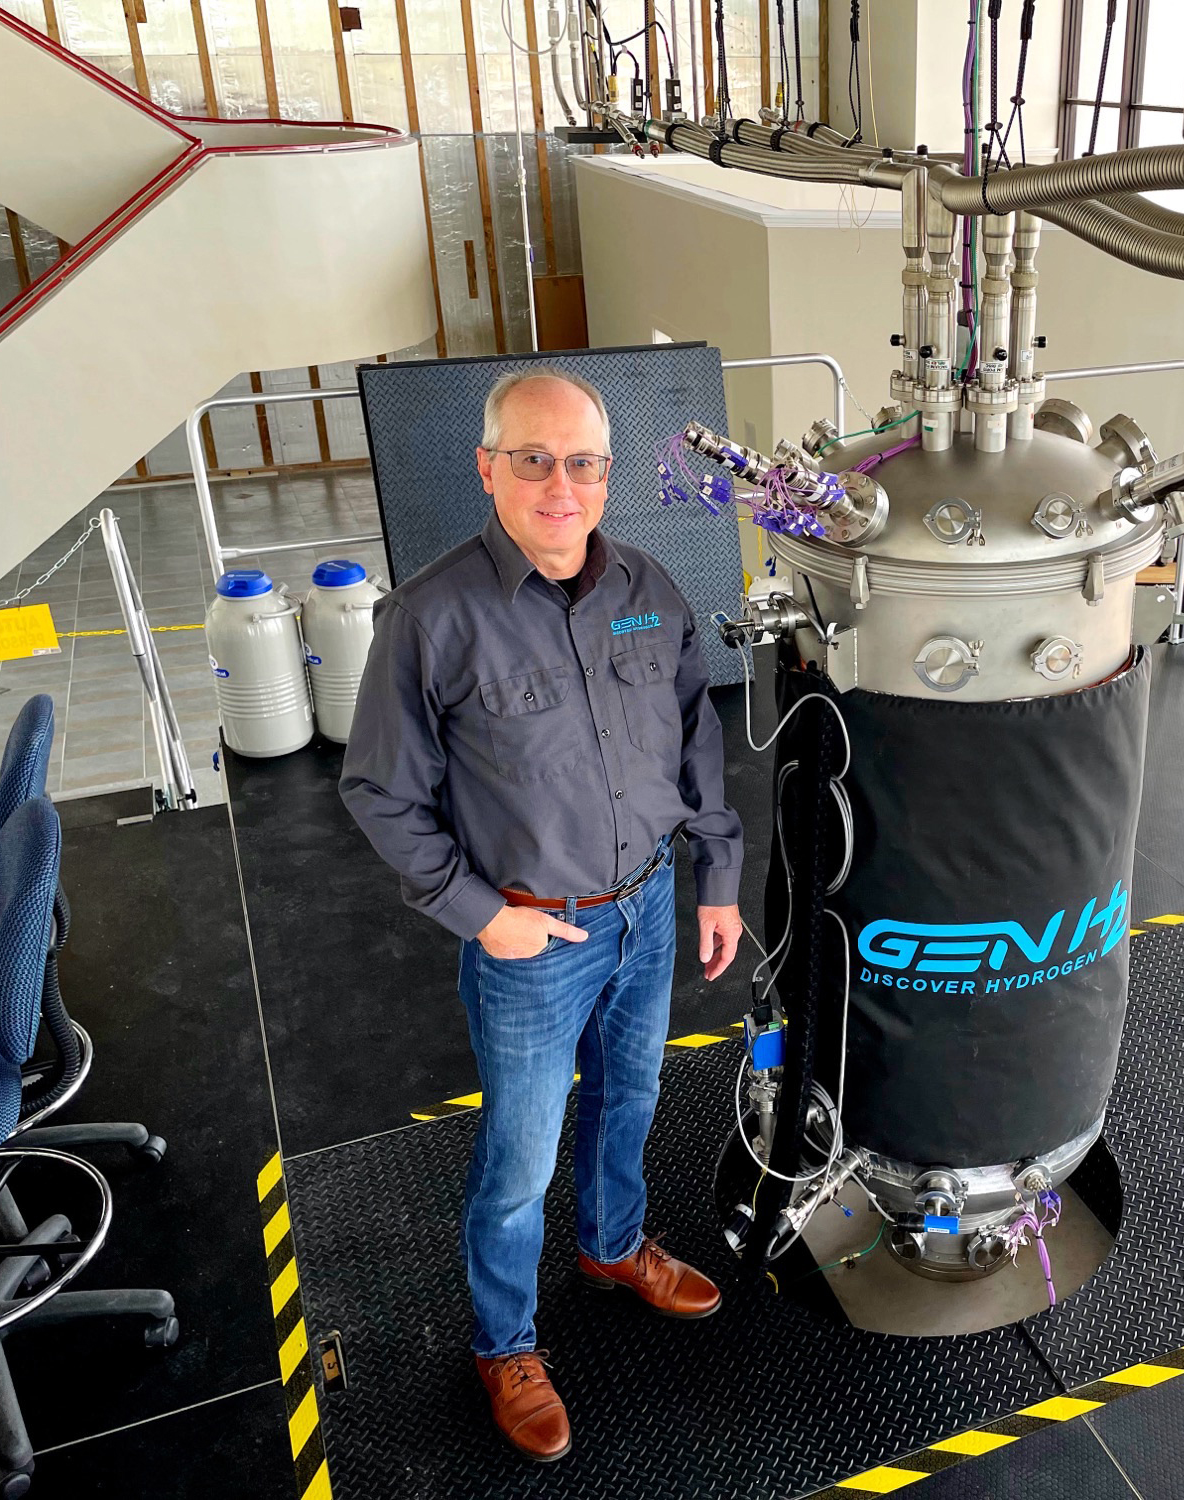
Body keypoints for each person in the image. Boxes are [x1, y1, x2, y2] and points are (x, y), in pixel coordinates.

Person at [340, 368, 744, 1463]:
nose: (558, 485)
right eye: (533, 459)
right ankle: (503, 1342)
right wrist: (480, 917)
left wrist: (713, 879)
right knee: (519, 1159)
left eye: (582, 462)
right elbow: (377, 789)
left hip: (646, 907)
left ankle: (614, 1246)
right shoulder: (431, 617)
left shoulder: (649, 590)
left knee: (633, 1097)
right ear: (487, 468)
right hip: (532, 937)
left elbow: (695, 740)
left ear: (608, 476)